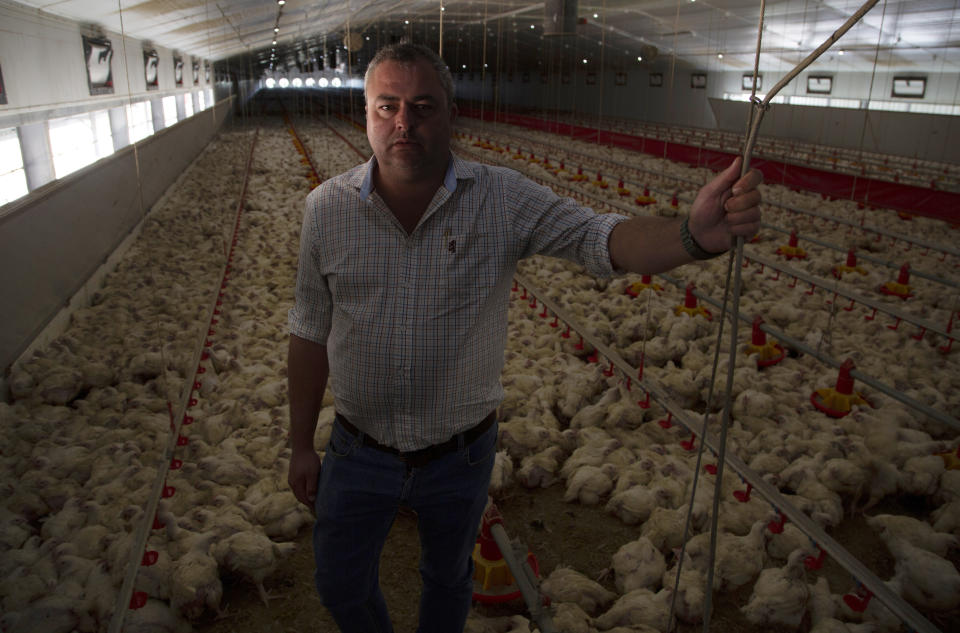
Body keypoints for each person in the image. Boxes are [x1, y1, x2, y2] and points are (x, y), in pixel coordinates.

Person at [287, 42, 762, 633]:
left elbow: (598, 238)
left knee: (448, 578)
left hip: (458, 456)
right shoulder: (325, 209)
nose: (403, 122)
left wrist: (690, 237)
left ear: (450, 115)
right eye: (387, 106)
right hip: (358, 449)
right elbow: (309, 329)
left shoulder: (501, 199)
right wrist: (302, 442)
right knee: (338, 585)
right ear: (366, 114)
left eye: (423, 106)